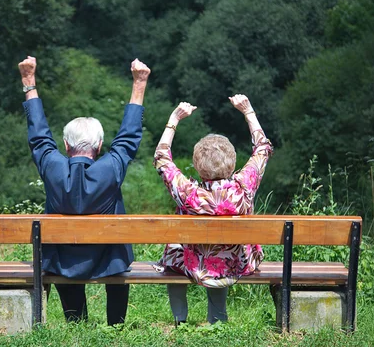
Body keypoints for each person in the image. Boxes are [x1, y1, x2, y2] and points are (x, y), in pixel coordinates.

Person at [19, 55, 150, 326]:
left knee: (61, 258)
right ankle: (116, 326)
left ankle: (76, 323)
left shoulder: (53, 167)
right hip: (109, 260)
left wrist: (29, 81)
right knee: (118, 256)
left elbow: (39, 137)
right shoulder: (110, 169)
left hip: (63, 262)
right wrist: (139, 83)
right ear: (100, 145)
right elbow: (128, 138)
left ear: (66, 145)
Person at [152, 95, 273, 325]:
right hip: (235, 263)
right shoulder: (243, 186)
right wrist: (248, 112)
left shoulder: (188, 193)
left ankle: (180, 320)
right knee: (220, 255)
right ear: (233, 162)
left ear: (197, 166)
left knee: (173, 253)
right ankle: (217, 319)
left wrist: (174, 119)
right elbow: (263, 149)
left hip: (193, 263)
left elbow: (161, 157)